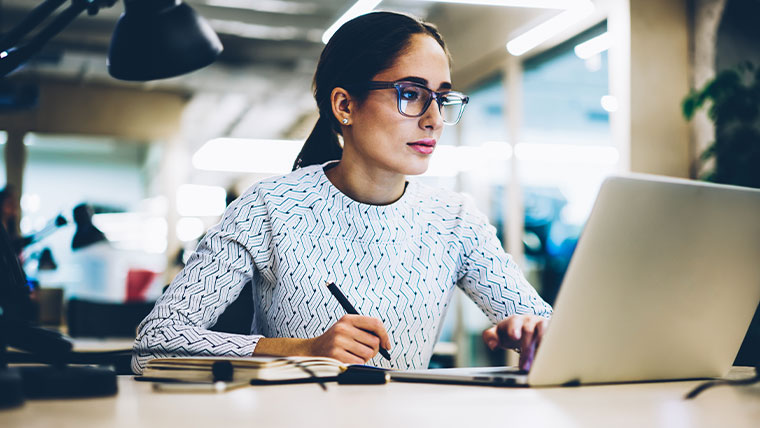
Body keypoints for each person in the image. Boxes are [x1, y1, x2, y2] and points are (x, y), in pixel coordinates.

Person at [132, 11, 552, 374]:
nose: (434, 119)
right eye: (411, 94)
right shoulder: (269, 207)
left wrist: (533, 331)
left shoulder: (455, 219)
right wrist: (301, 351)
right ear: (344, 106)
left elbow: (550, 330)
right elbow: (154, 342)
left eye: (442, 98)